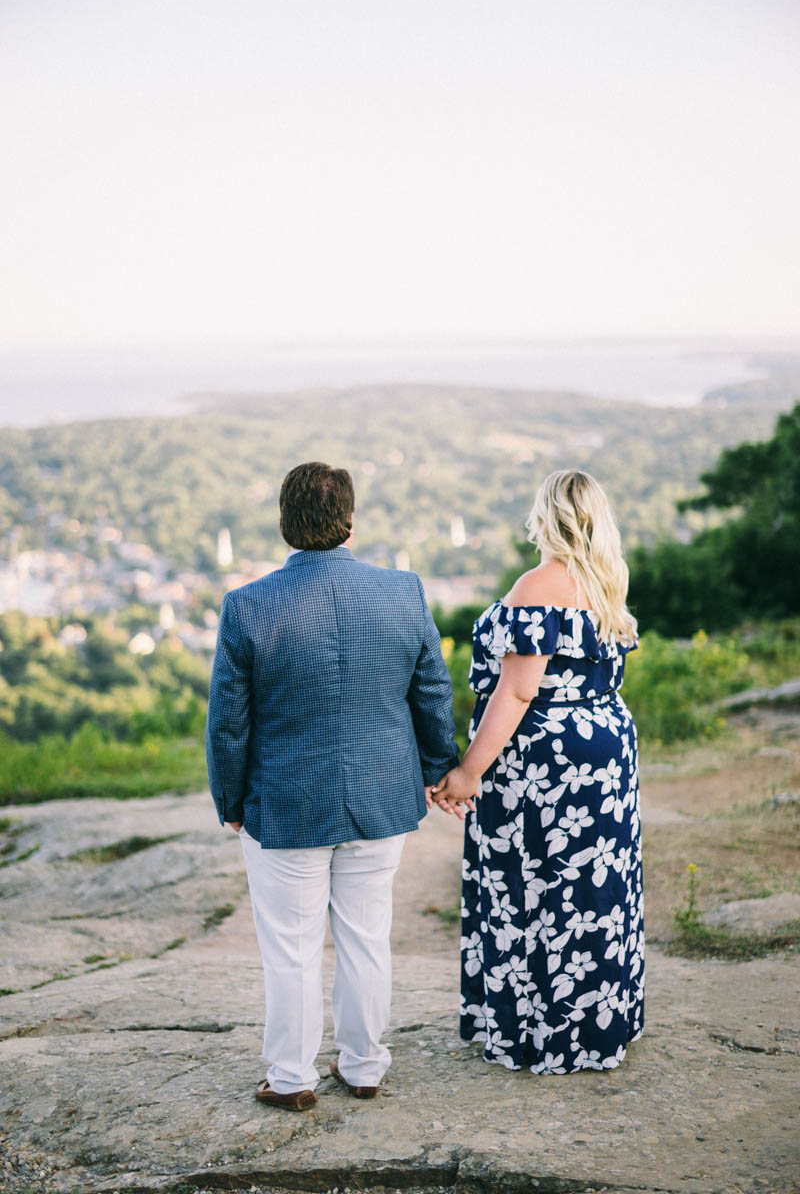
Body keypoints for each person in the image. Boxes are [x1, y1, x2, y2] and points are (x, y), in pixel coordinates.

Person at [205, 461, 459, 1111]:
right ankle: (365, 1065)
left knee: (290, 949)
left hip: (285, 806)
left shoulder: (247, 606)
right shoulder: (403, 592)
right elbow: (431, 690)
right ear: (351, 521)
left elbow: (229, 724)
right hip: (381, 797)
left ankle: (291, 1079)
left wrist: (231, 802)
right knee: (366, 934)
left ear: (285, 525)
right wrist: (439, 769)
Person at [432, 469, 644, 1074]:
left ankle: (541, 1030)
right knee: (595, 885)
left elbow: (519, 690)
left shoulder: (538, 584)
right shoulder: (604, 581)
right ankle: (599, 1021)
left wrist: (469, 771)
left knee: (534, 884)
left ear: (545, 516)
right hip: (604, 746)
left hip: (547, 760)